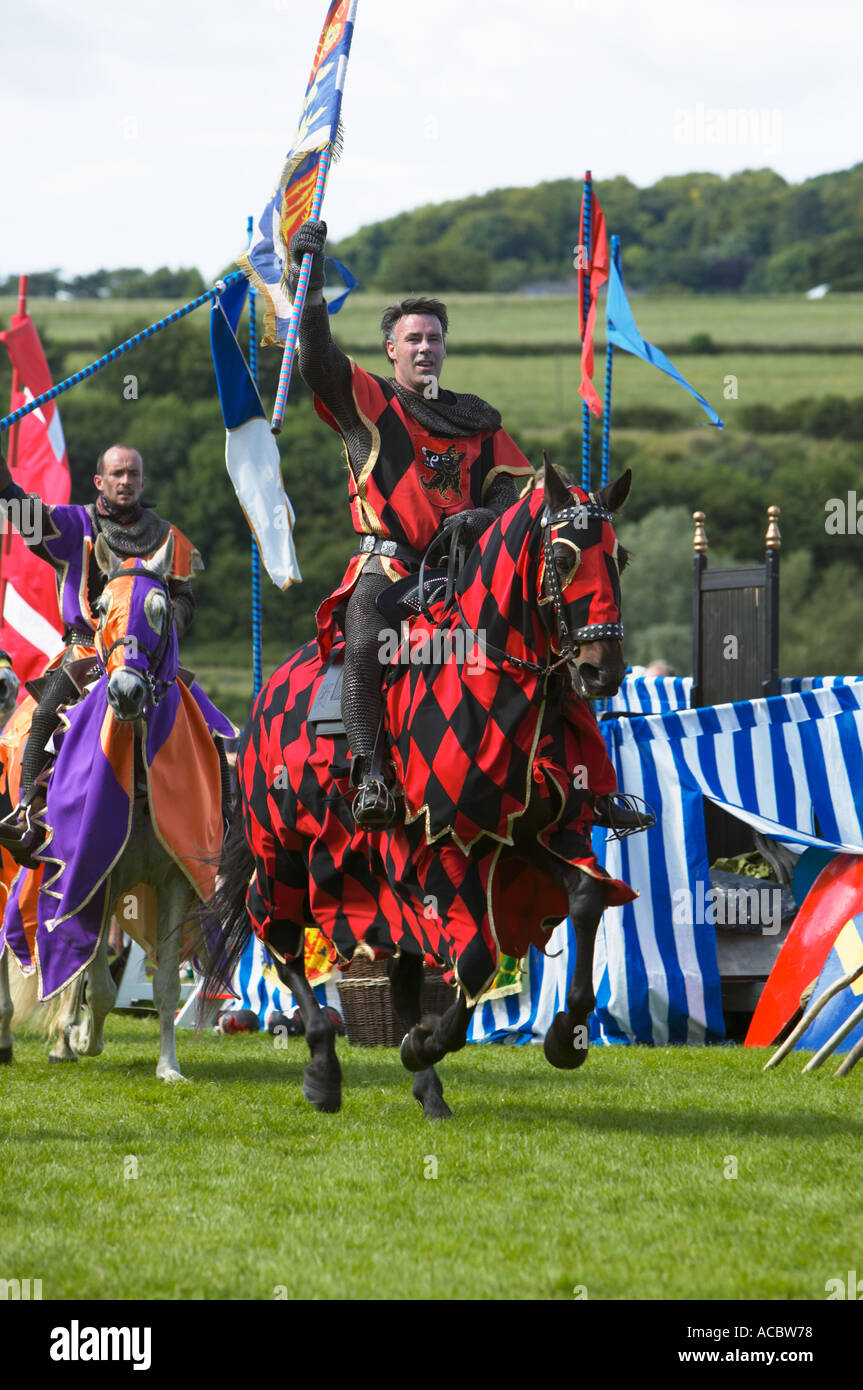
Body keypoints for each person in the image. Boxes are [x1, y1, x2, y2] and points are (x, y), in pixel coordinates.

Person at [287, 219, 649, 836]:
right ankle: (371, 770)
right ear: (391, 351)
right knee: (370, 636)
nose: (425, 348)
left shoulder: (479, 423)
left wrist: (484, 518)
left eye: (434, 338)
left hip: (465, 574)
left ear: (445, 347)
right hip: (391, 569)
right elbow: (317, 362)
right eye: (413, 339)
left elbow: (509, 503)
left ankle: (592, 786)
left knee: (550, 645)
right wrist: (312, 284)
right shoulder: (369, 404)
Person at [0, 442, 203, 861]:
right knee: (40, 718)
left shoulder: (168, 536)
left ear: (143, 481)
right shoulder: (76, 525)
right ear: (99, 481)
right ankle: (25, 812)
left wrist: (169, 619)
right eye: (117, 474)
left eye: (132, 474)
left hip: (150, 659)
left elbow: (185, 596)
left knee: (208, 726)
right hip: (86, 654)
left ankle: (223, 814)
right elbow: (24, 514)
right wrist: (3, 483)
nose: (125, 481)